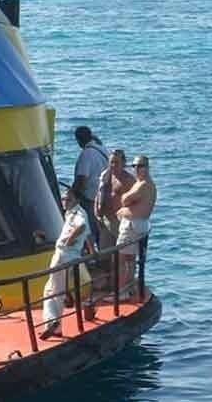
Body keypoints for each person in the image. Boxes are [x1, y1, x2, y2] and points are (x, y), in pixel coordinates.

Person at [40, 189, 92, 340]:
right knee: (56, 289)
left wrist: (68, 241)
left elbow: (81, 226)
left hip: (64, 254)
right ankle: (55, 325)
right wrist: (91, 249)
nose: (65, 202)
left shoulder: (78, 214)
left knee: (52, 290)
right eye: (63, 199)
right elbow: (87, 232)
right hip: (68, 255)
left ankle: (53, 323)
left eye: (68, 199)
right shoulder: (72, 213)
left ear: (76, 200)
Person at [115, 155, 157, 300]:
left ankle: (121, 292)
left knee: (120, 259)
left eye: (140, 166)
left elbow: (125, 199)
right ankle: (128, 288)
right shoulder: (142, 183)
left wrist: (125, 204)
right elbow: (131, 202)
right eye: (134, 166)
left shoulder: (143, 184)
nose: (137, 169)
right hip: (137, 224)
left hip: (133, 226)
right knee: (130, 259)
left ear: (147, 167)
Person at [72, 126, 108, 250]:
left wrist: (73, 194)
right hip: (104, 197)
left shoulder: (86, 154)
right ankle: (106, 256)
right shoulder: (102, 150)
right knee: (102, 231)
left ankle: (94, 257)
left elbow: (82, 178)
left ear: (79, 140)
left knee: (90, 231)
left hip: (90, 199)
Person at [94, 149, 135, 249]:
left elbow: (135, 203)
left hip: (120, 223)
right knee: (104, 255)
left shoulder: (128, 180)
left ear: (123, 163)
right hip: (105, 220)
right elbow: (98, 195)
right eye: (111, 162)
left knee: (122, 254)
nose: (113, 165)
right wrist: (97, 216)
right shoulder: (105, 177)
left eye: (116, 162)